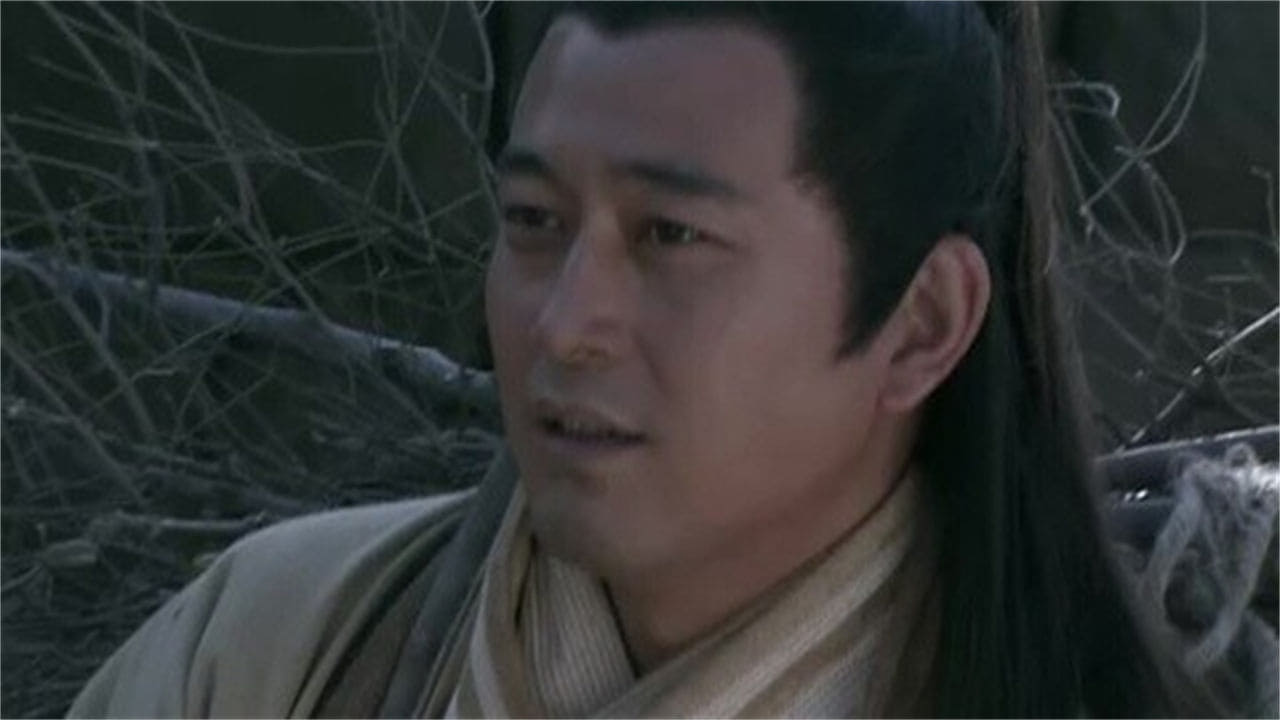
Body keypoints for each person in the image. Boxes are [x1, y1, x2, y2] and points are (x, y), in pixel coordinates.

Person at [68, 3, 1252, 717]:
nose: (563, 323)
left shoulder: (1095, 688)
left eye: (670, 237)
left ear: (921, 322)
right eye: (533, 221)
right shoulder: (275, 650)